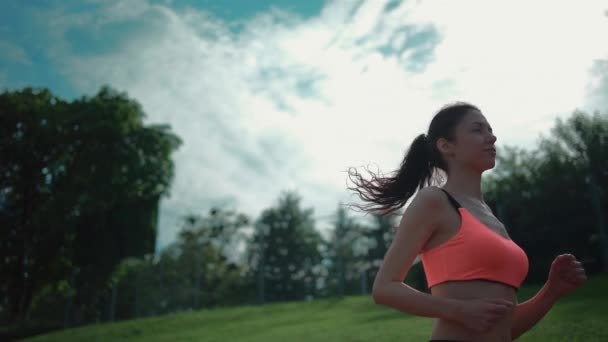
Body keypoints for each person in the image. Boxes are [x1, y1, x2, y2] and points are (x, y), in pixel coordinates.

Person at [347, 102, 587, 341]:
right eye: (478, 129)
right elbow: (385, 288)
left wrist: (551, 292)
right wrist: (459, 311)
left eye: (490, 130)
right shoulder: (434, 201)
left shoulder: (493, 220)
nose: (491, 137)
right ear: (446, 146)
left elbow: (507, 328)